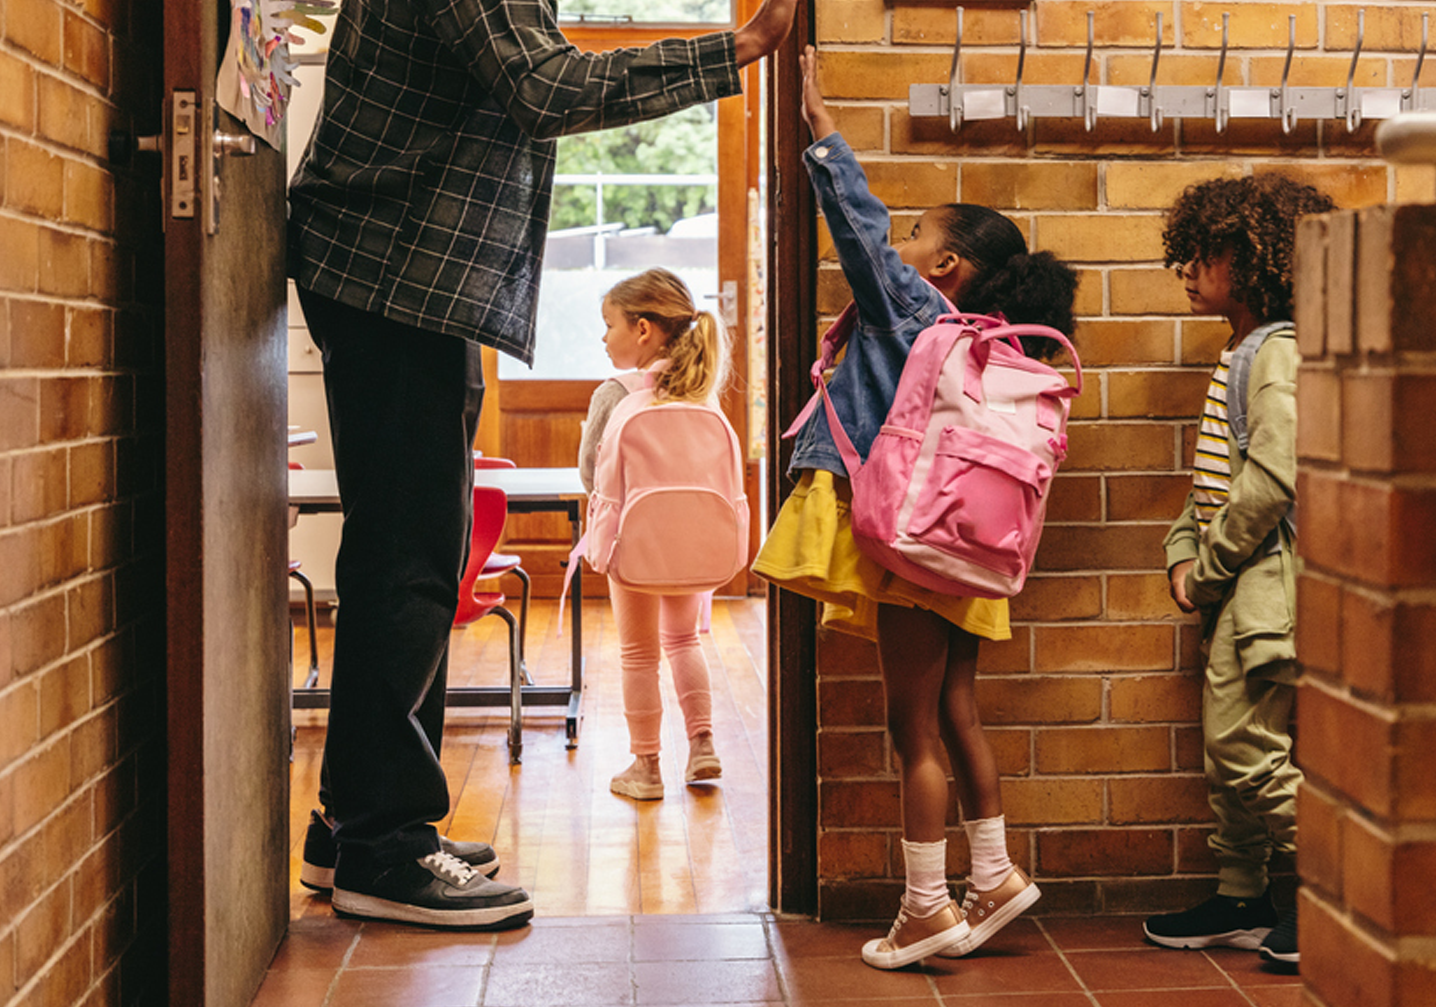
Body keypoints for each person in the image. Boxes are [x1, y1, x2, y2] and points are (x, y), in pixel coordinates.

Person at [285, 0, 798, 931]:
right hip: (394, 277)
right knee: (409, 564)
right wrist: (739, 49)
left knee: (410, 561)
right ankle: (380, 846)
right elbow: (545, 85)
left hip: (410, 282)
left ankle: (350, 821)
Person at [752, 46, 1080, 971]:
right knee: (959, 707)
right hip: (975, 545)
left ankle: (926, 909)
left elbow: (858, 227)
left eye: (915, 243)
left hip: (918, 540)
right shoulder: (1000, 348)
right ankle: (995, 873)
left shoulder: (920, 314)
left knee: (912, 726)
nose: (898, 253)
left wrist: (819, 128)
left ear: (949, 264)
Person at [1140, 174, 1333, 975]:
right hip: (1234, 573)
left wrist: (1212, 568)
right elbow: (1213, 483)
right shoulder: (1244, 349)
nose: (1187, 268)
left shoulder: (1277, 349)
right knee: (1230, 748)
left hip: (1263, 579)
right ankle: (1244, 893)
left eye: (1205, 253)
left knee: (1242, 743)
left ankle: (1341, 893)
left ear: (1256, 260)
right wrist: (1184, 550)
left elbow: (1275, 475)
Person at [577, 269, 727, 801]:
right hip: (693, 541)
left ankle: (646, 767)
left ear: (643, 329)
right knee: (685, 640)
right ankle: (703, 743)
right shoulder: (700, 392)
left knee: (638, 653)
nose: (604, 337)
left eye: (609, 325)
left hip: (633, 544)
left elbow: (590, 475)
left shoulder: (614, 393)